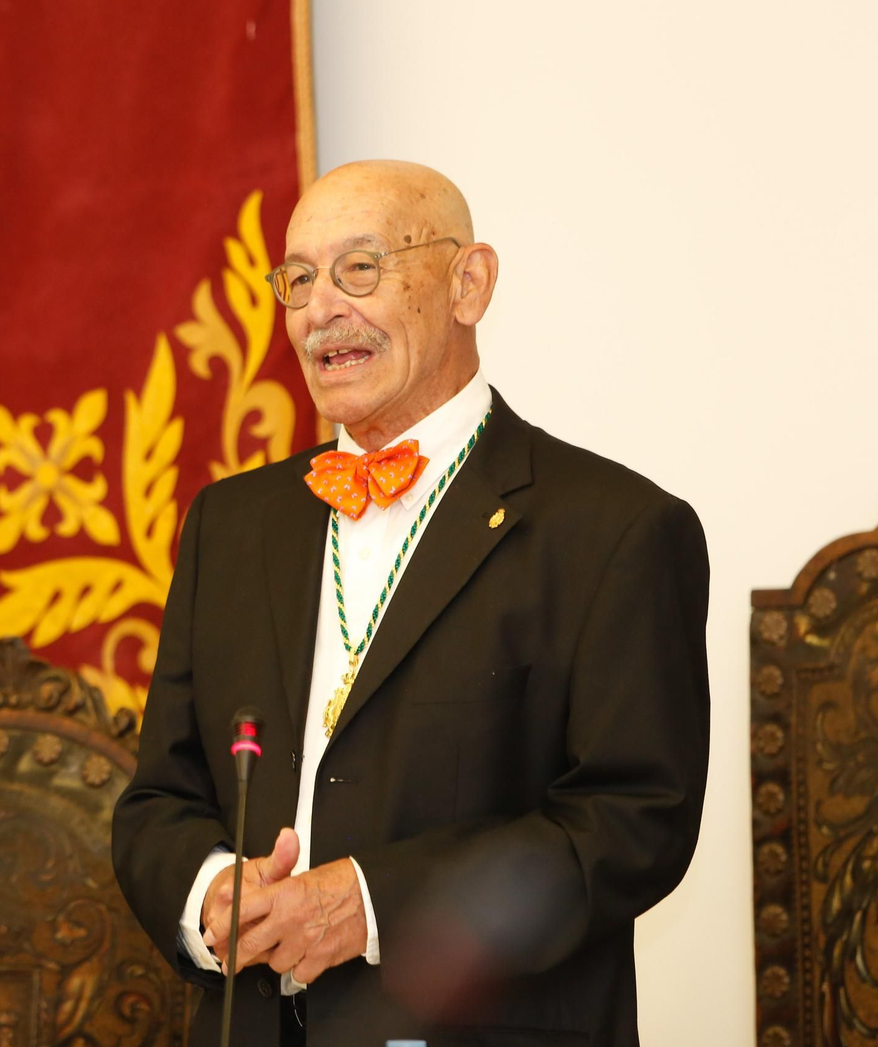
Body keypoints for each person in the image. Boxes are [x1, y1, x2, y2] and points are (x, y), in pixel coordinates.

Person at [111, 160, 709, 1047]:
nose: (321, 311)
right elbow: (159, 800)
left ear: (469, 284)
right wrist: (210, 896)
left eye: (361, 268)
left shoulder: (614, 530)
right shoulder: (227, 525)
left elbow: (632, 822)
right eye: (299, 280)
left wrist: (372, 904)